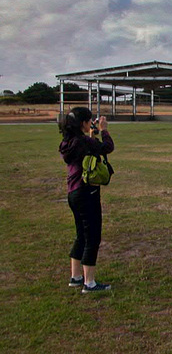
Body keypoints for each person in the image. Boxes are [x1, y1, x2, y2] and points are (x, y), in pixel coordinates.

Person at [59, 107, 114, 293]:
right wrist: (104, 130)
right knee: (92, 237)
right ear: (83, 122)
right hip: (87, 193)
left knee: (81, 234)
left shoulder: (69, 141)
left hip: (73, 193)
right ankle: (89, 283)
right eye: (89, 120)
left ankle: (76, 277)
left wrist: (91, 135)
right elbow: (107, 148)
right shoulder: (83, 142)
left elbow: (87, 149)